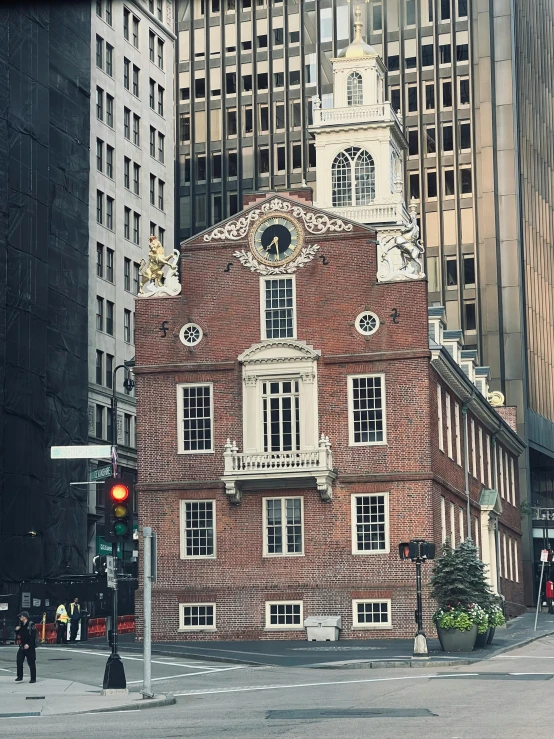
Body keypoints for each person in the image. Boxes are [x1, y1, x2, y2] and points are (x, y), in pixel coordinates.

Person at [15, 611, 37, 683]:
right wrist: (17, 630)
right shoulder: (21, 625)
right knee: (19, 660)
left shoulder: (31, 624)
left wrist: (29, 644)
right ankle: (19, 676)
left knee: (31, 662)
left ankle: (33, 678)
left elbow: (33, 636)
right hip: (22, 645)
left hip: (29, 646)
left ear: (25, 617)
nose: (20, 618)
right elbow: (19, 635)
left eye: (21, 616)